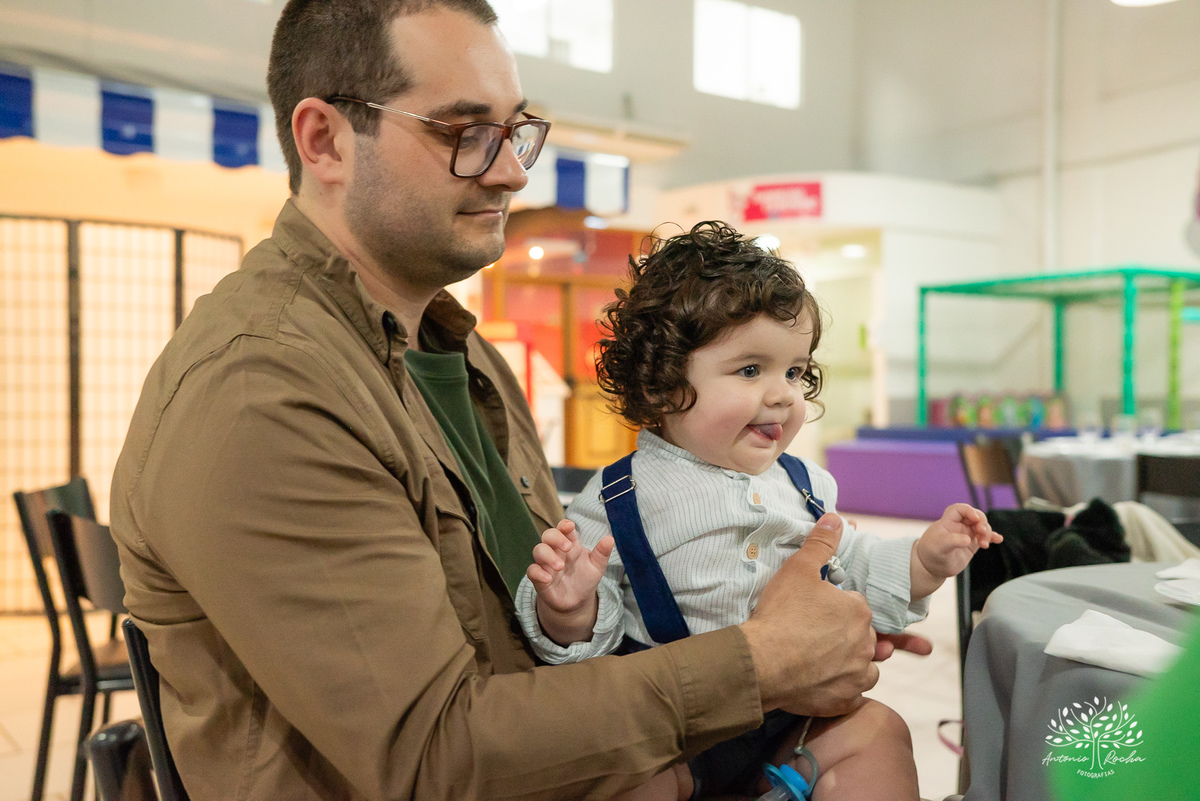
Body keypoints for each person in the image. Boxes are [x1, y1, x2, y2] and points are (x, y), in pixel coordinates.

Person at [109, 2, 907, 799]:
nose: (512, 171)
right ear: (325, 141)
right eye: (464, 133)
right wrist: (761, 660)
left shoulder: (455, 348)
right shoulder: (265, 389)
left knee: (870, 738)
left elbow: (545, 624)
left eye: (514, 130)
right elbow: (431, 756)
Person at [515, 222, 1002, 800]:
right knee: (622, 778)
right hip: (671, 731)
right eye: (751, 370)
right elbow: (589, 634)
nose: (784, 394)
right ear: (664, 383)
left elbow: (855, 565)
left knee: (878, 729)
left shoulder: (805, 485)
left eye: (795, 372)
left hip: (790, 719)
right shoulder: (618, 496)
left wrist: (925, 559)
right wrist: (570, 609)